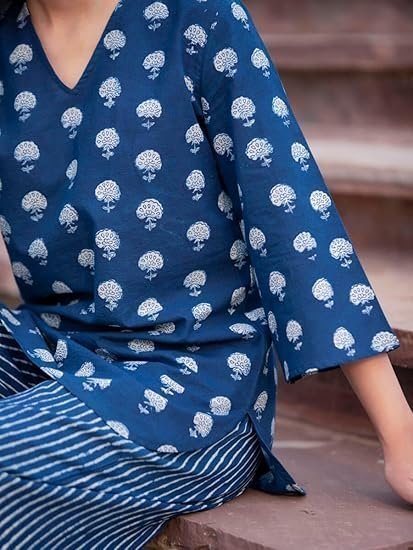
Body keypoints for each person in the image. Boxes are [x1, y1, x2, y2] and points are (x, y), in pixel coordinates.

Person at [0, 0, 412, 546]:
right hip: (47, 345)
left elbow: (291, 221)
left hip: (192, 384)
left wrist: (399, 430)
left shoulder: (199, 20)